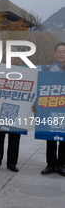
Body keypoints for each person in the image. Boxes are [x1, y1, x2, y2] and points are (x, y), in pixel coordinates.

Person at [0, 47, 21, 173]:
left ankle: (12, 163)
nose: (10, 57)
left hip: (16, 107)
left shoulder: (23, 71)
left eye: (13, 55)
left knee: (14, 137)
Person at [41, 42, 65, 177]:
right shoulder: (47, 70)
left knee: (63, 138)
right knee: (50, 137)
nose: (61, 54)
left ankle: (61, 165)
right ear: (55, 54)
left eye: (64, 51)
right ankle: (50, 164)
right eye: (59, 51)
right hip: (51, 107)